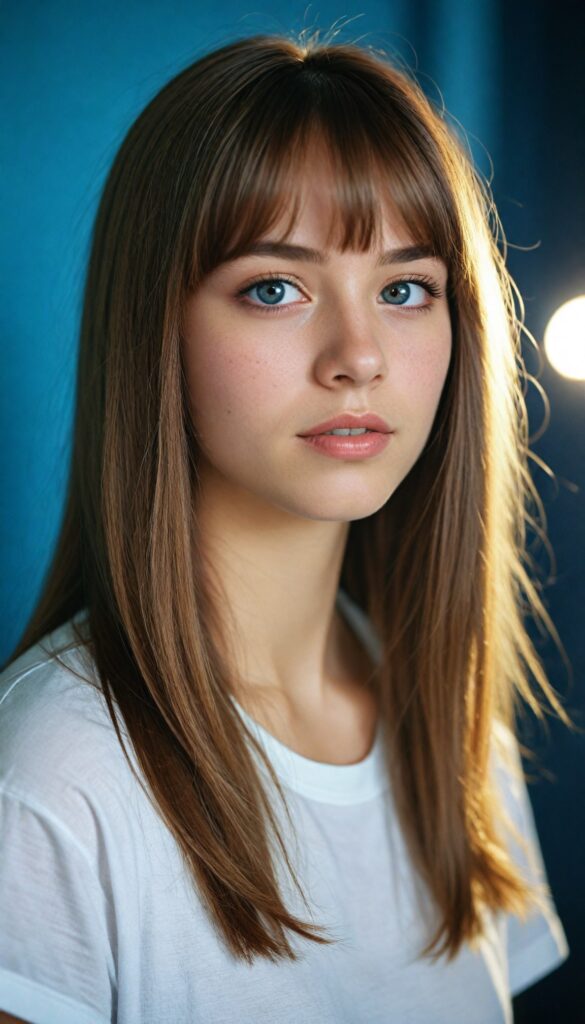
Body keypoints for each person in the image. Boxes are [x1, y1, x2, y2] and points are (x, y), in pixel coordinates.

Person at [0, 30, 573, 1024]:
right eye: (276, 287)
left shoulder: (455, 735)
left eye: (405, 289)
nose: (359, 355)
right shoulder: (49, 789)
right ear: (157, 328)